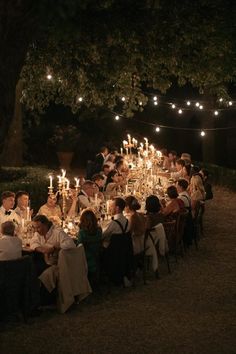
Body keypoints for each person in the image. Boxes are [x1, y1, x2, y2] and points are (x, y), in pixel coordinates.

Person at [76, 209, 102, 275]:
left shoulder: (82, 233)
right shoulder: (99, 231)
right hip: (97, 258)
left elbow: (79, 248)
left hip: (85, 260)